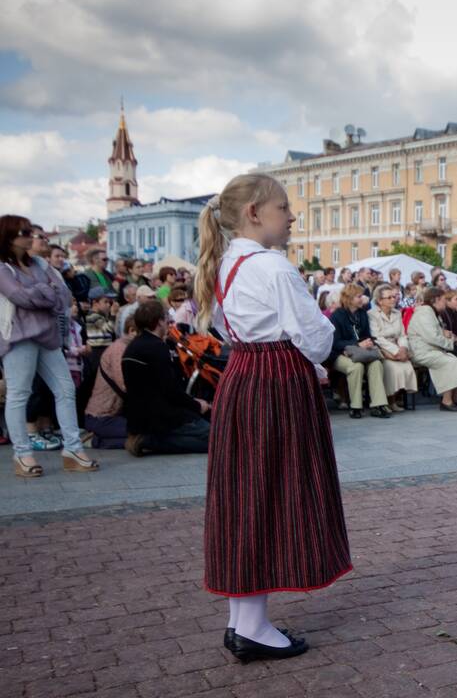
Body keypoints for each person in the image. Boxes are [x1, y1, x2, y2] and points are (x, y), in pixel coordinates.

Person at [195, 174, 349, 662]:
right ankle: (253, 626)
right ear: (255, 213)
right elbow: (316, 336)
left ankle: (243, 619)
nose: (292, 216)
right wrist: (314, 363)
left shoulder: (226, 264)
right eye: (284, 207)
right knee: (273, 492)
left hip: (242, 376)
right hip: (276, 380)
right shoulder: (273, 267)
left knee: (245, 493)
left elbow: (226, 328)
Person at [0, 214, 97, 477]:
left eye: (31, 231)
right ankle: (22, 454)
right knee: (19, 395)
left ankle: (73, 450)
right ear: (9, 237)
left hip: (47, 335)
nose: (31, 236)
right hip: (19, 336)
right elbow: (19, 296)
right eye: (24, 232)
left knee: (65, 389)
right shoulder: (2, 267)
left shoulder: (40, 264)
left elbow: (63, 293)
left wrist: (40, 294)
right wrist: (45, 293)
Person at [121, 300, 211, 455]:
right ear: (158, 322)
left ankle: (147, 439)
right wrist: (197, 405)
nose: (169, 323)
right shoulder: (157, 347)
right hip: (162, 417)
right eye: (166, 319)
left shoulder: (133, 347)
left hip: (140, 416)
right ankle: (148, 441)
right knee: (214, 438)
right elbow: (171, 391)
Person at [329, 283, 391, 419]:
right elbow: (334, 342)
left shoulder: (362, 314)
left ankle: (378, 405)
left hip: (361, 352)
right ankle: (356, 406)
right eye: (359, 296)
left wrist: (368, 342)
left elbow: (367, 334)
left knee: (376, 364)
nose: (362, 298)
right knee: (355, 367)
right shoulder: (336, 316)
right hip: (340, 354)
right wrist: (357, 344)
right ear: (349, 298)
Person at [408, 286, 457, 411]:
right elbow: (433, 337)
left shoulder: (432, 312)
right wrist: (451, 344)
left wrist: (447, 336)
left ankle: (456, 399)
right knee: (452, 362)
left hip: (433, 350)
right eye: (444, 299)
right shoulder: (424, 313)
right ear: (436, 299)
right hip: (422, 352)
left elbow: (436, 335)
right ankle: (446, 401)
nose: (445, 302)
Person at [85, 316, 137, 449]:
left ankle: (100, 437)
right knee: (141, 433)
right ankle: (96, 440)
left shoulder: (126, 347)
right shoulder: (119, 349)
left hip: (110, 416)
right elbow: (124, 385)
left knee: (142, 431)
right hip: (101, 417)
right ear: (131, 331)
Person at [368, 284, 418, 411]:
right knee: (394, 369)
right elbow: (377, 337)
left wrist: (403, 348)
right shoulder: (372, 314)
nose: (393, 299)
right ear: (380, 301)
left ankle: (396, 399)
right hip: (383, 349)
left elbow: (402, 334)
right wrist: (395, 351)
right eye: (389, 297)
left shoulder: (397, 313)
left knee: (406, 367)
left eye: (394, 296)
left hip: (398, 346)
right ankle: (389, 400)